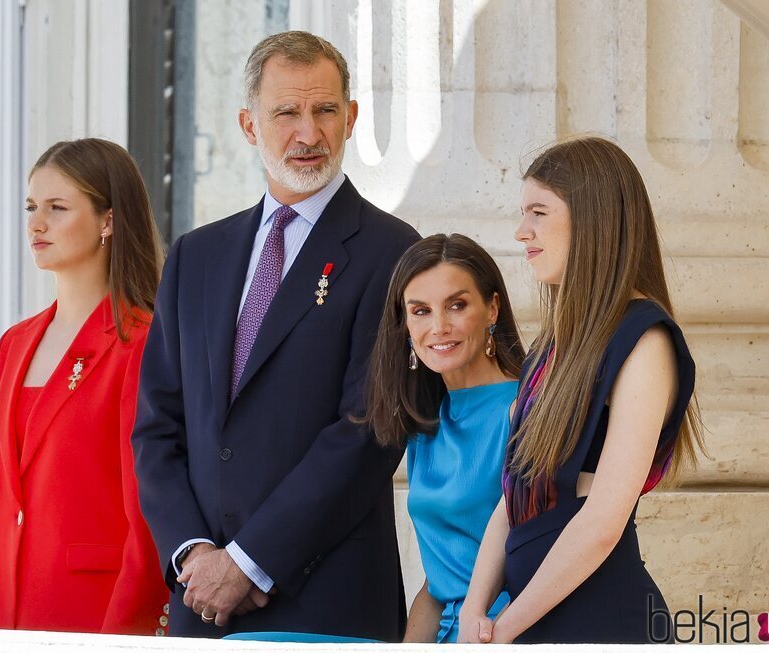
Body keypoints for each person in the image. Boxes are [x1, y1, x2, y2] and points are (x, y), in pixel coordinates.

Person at [131, 31, 419, 640]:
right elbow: (158, 428)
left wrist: (249, 562)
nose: (309, 134)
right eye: (286, 112)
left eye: (326, 110)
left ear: (352, 118)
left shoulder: (394, 252)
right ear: (248, 124)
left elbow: (369, 429)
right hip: (200, 603)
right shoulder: (195, 256)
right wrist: (194, 555)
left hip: (326, 606)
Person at [458, 136, 706, 644]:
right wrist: (473, 612)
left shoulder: (645, 340)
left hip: (600, 619)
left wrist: (504, 628)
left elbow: (602, 522)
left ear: (592, 220)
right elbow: (511, 500)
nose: (521, 231)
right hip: (530, 619)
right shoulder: (551, 347)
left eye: (539, 212)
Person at [0, 139, 170, 635]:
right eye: (32, 206)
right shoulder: (13, 344)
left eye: (57, 208)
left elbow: (147, 516)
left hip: (89, 617)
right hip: (2, 615)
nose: (36, 224)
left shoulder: (138, 344)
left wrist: (125, 637)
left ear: (108, 220)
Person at [360, 234, 526, 643]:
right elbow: (438, 587)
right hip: (446, 634)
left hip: (506, 632)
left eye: (457, 305)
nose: (438, 327)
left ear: (492, 308)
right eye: (420, 311)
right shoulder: (428, 422)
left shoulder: (524, 410)